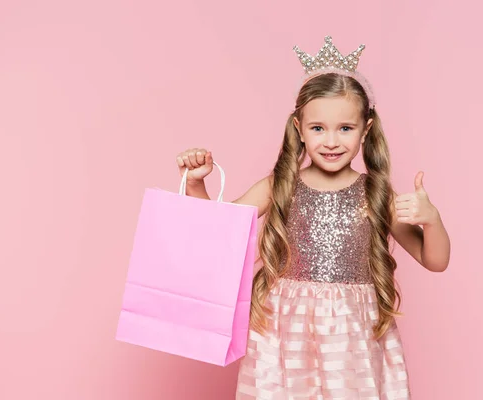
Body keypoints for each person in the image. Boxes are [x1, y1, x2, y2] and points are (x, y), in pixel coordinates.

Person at [175, 36, 451, 400]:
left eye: (345, 128)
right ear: (299, 128)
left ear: (366, 129)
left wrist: (431, 220)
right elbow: (217, 232)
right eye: (318, 128)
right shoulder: (280, 186)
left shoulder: (377, 193)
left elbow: (436, 261)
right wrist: (196, 184)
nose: (331, 141)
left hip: (351, 332)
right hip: (283, 328)